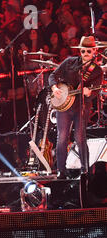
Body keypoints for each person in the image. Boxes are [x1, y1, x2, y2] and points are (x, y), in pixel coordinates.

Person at [49, 36, 103, 179]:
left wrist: (89, 93)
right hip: (65, 106)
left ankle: (86, 171)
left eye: (89, 51)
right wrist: (54, 88)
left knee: (80, 138)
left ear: (94, 51)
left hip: (82, 107)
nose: (86, 53)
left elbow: (96, 91)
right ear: (80, 51)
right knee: (62, 138)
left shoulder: (97, 70)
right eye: (83, 51)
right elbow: (53, 75)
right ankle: (61, 171)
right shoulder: (69, 62)